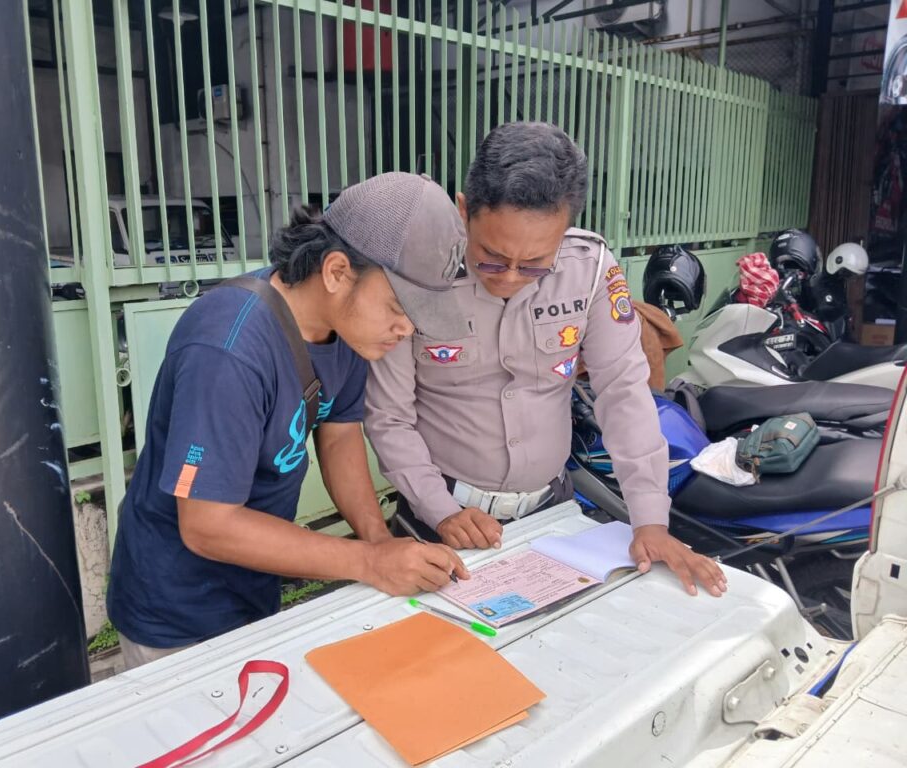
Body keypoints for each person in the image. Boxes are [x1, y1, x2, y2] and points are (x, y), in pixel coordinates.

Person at [108, 172, 471, 669]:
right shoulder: (229, 349)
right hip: (176, 612)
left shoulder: (346, 330)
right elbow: (207, 526)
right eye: (397, 307)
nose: (406, 328)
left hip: (253, 587)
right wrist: (368, 563)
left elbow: (339, 437)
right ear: (337, 271)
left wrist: (379, 540)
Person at [365, 123, 727, 598]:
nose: (511, 277)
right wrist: (440, 509)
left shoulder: (590, 268)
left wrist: (650, 521)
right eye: (491, 258)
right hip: (440, 521)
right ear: (464, 210)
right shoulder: (419, 272)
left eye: (537, 264)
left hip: (550, 514)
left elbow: (623, 392)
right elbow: (389, 416)